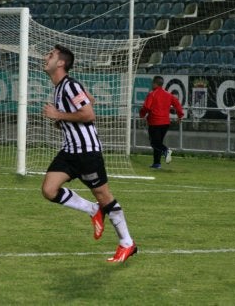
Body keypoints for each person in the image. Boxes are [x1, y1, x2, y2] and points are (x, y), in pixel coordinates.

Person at [41, 44, 137, 263]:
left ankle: (127, 243)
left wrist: (58, 114)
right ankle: (93, 210)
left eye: (51, 55)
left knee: (104, 196)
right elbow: (89, 100)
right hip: (70, 150)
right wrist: (62, 119)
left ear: (61, 62)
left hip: (87, 151)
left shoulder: (69, 85)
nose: (46, 58)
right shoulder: (59, 88)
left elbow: (88, 114)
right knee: (49, 189)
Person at [139, 76, 184, 169]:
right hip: (165, 123)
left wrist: (142, 114)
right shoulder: (168, 94)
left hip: (155, 122)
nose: (152, 85)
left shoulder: (152, 94)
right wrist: (180, 116)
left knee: (154, 143)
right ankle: (157, 163)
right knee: (158, 142)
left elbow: (146, 107)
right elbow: (177, 104)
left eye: (152, 83)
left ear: (155, 84)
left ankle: (166, 151)